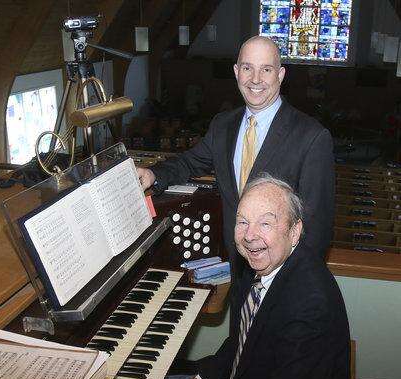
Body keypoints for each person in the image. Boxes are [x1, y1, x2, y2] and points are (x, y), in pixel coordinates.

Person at [131, 174, 366, 379]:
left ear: (295, 231)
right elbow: (244, 336)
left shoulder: (309, 305)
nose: (249, 235)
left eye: (265, 223)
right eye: (242, 222)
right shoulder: (259, 264)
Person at [137, 36, 335, 268]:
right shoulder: (223, 125)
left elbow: (317, 228)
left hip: (283, 270)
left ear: (280, 75)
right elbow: (189, 162)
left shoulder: (312, 137)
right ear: (236, 72)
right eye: (247, 68)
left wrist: (289, 280)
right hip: (236, 263)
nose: (255, 79)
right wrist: (153, 174)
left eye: (266, 69)